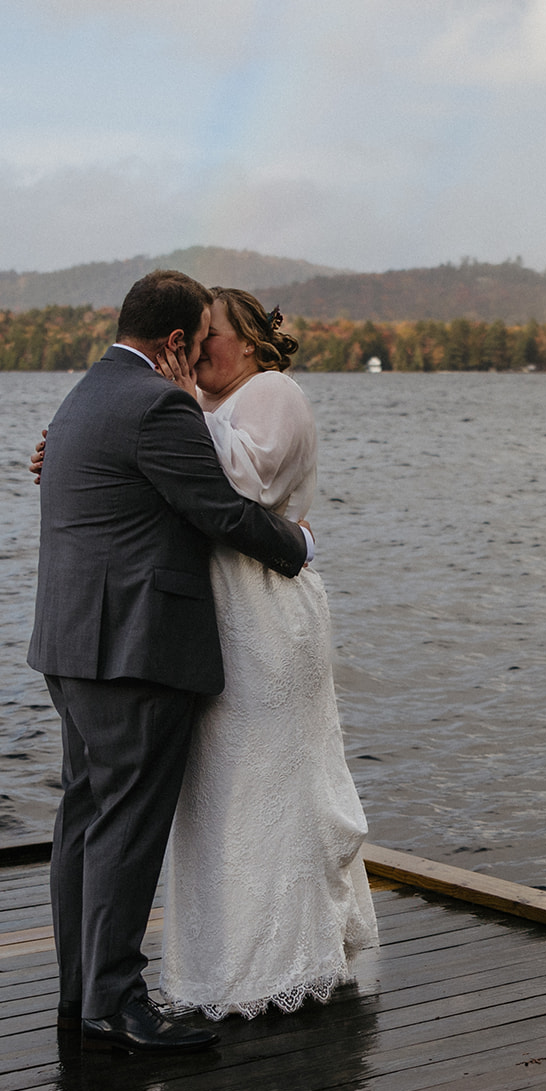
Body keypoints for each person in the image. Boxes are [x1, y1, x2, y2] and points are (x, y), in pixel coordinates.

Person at [28, 269, 310, 1054]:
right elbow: (217, 510)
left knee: (84, 817)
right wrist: (302, 545)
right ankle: (117, 1002)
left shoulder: (85, 393)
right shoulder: (157, 403)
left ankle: (80, 988)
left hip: (71, 641)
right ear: (178, 341)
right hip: (136, 649)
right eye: (199, 338)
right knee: (125, 824)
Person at [154, 287, 378, 1017]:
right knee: (220, 786)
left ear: (249, 343)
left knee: (268, 778)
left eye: (205, 337)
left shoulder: (273, 392)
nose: (192, 351)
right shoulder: (208, 407)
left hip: (266, 607)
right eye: (185, 342)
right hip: (219, 610)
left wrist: (175, 401)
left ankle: (283, 964)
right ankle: (222, 961)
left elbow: (242, 482)